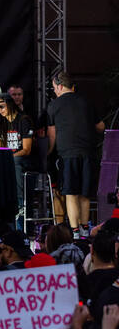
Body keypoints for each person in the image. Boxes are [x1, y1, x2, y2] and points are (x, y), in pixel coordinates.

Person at [47, 71, 105, 237]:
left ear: (59, 86)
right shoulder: (87, 102)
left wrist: (48, 154)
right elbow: (101, 126)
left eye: (54, 88)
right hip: (88, 153)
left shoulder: (53, 106)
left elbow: (52, 135)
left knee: (71, 193)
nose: (55, 92)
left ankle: (74, 232)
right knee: (84, 193)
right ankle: (84, 229)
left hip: (67, 154)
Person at [0, 95, 36, 220]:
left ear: (10, 104)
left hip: (24, 160)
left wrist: (8, 158)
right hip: (8, 160)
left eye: (2, 106)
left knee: (15, 162)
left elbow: (26, 150)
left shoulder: (23, 120)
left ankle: (20, 204)